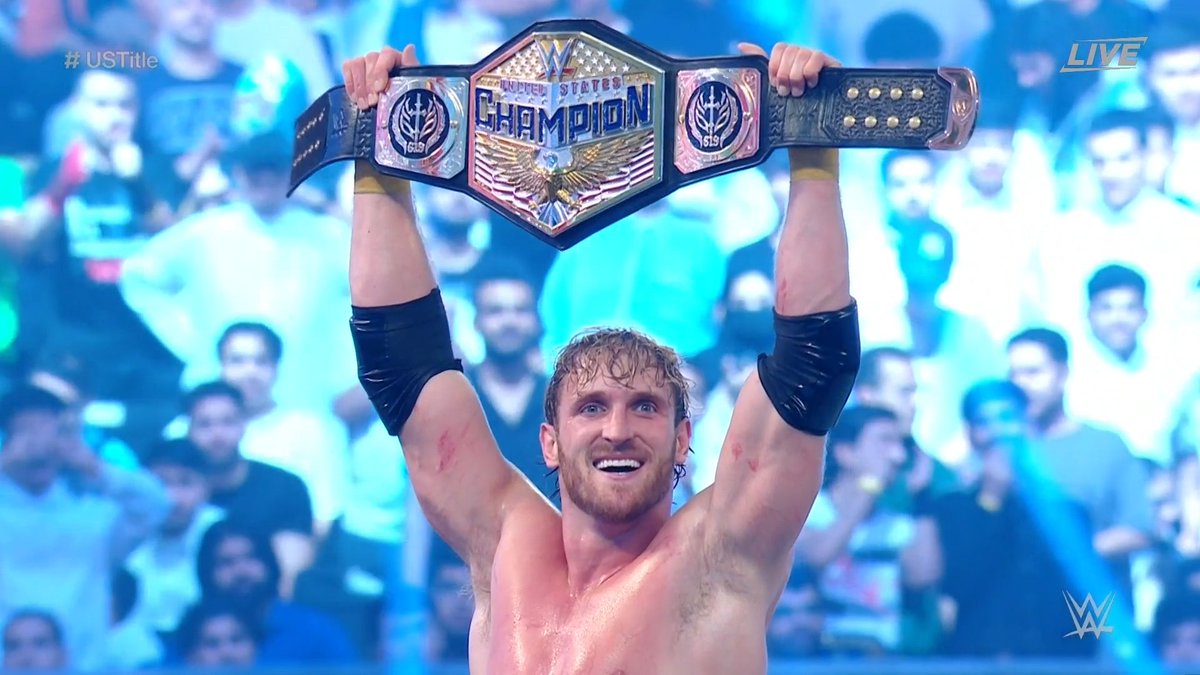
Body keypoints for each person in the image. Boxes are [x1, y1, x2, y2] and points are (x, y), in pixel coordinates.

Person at [340, 41, 860, 672]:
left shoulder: (719, 559)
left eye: (645, 407)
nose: (617, 429)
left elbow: (814, 364)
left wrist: (811, 142)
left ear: (682, 439)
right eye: (591, 407)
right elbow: (404, 367)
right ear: (550, 441)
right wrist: (379, 146)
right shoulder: (506, 548)